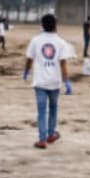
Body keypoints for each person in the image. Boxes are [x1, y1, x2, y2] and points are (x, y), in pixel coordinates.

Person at [24, 13, 73, 149]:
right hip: (54, 81)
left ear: (42, 25)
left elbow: (29, 58)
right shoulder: (61, 42)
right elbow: (63, 64)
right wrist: (66, 81)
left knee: (41, 111)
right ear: (55, 25)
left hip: (39, 81)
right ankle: (51, 134)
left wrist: (26, 71)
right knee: (53, 109)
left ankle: (42, 139)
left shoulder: (35, 40)